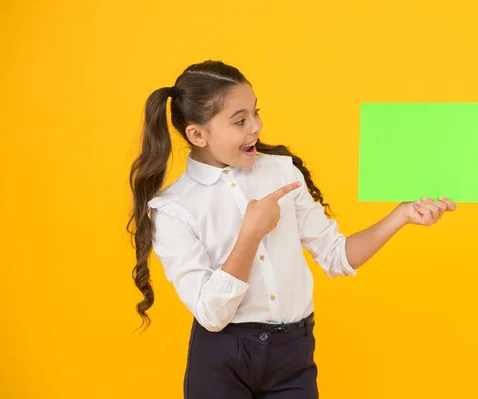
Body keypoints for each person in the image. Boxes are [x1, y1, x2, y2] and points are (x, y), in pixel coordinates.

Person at [127, 60, 457, 399]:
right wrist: (250, 234)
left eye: (256, 113)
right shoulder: (174, 209)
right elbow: (211, 314)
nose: (255, 126)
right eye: (239, 121)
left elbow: (335, 256)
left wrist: (400, 216)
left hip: (293, 355)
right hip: (221, 359)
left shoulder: (282, 173)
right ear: (197, 134)